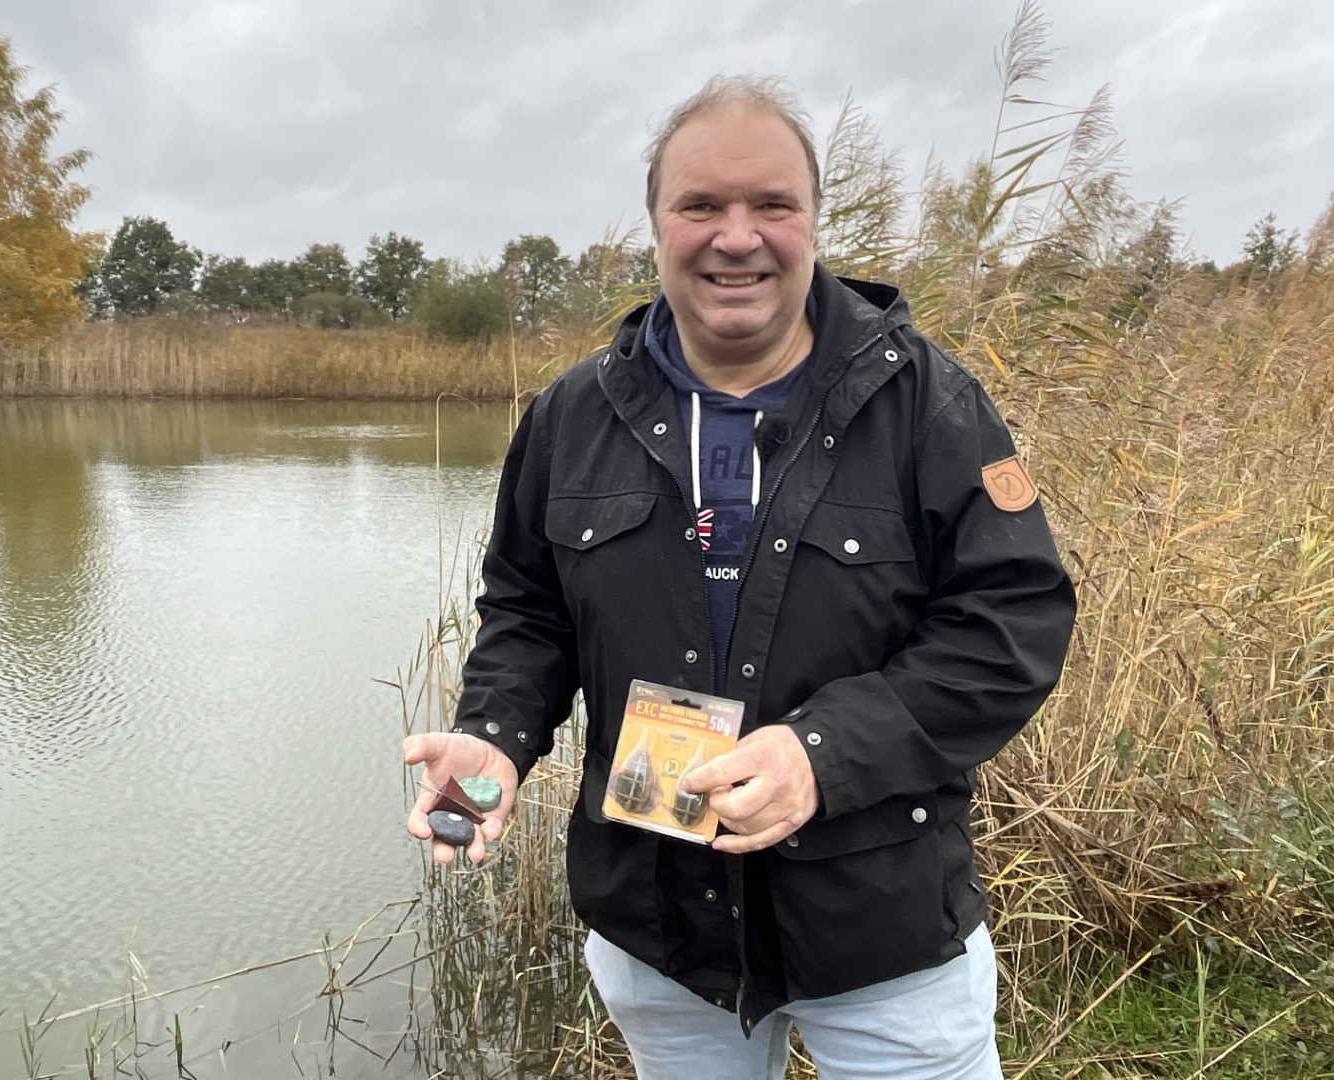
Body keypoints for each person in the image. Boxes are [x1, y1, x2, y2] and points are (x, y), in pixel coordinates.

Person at [403, 75, 1076, 1080]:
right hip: (658, 927)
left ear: (814, 221)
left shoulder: (930, 404)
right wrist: (493, 734)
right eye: (700, 206)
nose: (737, 236)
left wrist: (821, 755)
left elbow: (1013, 622)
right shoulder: (569, 418)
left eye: (772, 204)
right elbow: (528, 614)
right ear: (656, 225)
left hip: (882, 927)